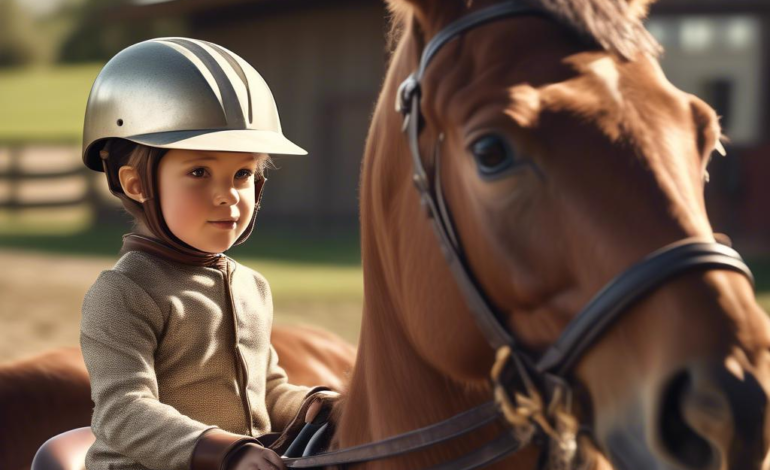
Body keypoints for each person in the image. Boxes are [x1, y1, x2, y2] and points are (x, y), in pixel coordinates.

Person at [79, 37, 337, 470]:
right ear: (136, 184)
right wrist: (227, 450)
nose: (228, 196)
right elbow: (123, 411)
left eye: (242, 174)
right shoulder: (123, 293)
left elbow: (267, 389)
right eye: (200, 171)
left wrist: (317, 404)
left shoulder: (251, 286)